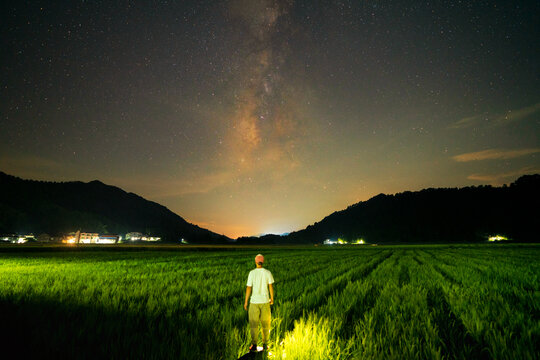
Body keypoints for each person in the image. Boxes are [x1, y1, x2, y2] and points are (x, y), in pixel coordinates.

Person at [244, 253, 274, 352]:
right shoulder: (268, 272)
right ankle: (265, 344)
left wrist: (246, 302)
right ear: (263, 262)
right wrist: (272, 298)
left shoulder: (251, 273)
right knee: (266, 324)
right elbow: (270, 286)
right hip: (265, 301)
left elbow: (249, 288)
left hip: (254, 302)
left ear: (256, 262)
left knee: (254, 324)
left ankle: (254, 345)